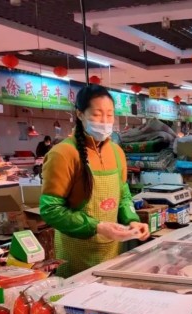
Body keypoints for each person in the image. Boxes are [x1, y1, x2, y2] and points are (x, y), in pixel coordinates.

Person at [40, 85, 150, 278]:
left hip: (111, 252)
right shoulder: (63, 154)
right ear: (80, 114)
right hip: (75, 254)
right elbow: (51, 210)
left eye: (110, 115)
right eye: (98, 115)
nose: (105, 121)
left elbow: (123, 196)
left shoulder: (116, 152)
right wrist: (97, 226)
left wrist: (132, 220)